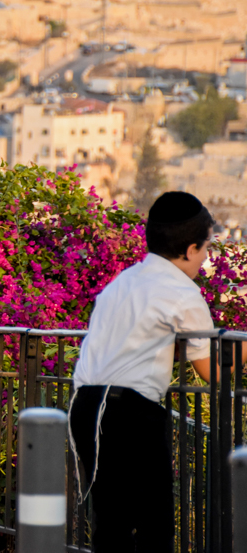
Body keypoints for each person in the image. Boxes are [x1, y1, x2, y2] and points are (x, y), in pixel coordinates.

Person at [69, 191, 216, 552]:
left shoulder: (124, 281)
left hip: (87, 404)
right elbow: (213, 368)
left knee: (113, 523)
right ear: (189, 249)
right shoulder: (183, 292)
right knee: (155, 523)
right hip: (129, 412)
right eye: (206, 248)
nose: (206, 257)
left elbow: (128, 345)